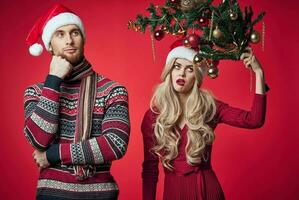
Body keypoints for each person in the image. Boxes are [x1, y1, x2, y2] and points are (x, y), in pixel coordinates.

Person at [24, 4, 130, 200]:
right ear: (49, 45)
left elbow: (115, 144)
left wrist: (53, 154)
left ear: (83, 39)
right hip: (51, 194)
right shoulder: (36, 92)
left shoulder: (113, 90)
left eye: (75, 33)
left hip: (99, 195)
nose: (69, 40)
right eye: (60, 34)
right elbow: (38, 139)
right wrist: (53, 80)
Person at [141, 45, 267, 200]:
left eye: (190, 69)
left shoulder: (209, 106)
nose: (181, 73)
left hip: (207, 190)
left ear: (197, 76)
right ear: (169, 71)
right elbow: (150, 170)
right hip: (173, 193)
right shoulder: (153, 117)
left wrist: (259, 73)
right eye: (177, 67)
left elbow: (254, 120)